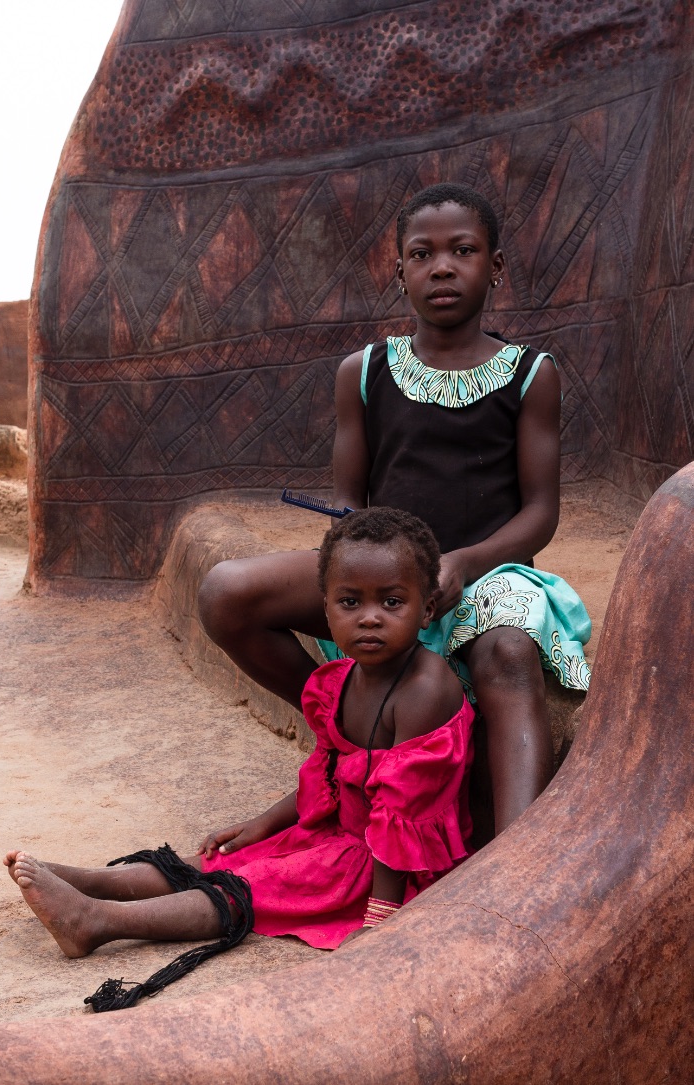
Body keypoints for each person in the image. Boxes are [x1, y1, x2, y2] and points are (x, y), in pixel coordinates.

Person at [199, 182, 591, 837]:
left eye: (462, 250)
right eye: (421, 253)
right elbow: (350, 498)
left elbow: (540, 513)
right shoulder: (363, 370)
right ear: (399, 271)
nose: (441, 265)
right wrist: (363, 551)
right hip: (389, 572)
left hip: (488, 574)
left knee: (507, 654)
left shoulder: (530, 373)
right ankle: (353, 727)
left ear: (494, 267)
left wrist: (462, 562)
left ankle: (515, 852)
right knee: (225, 591)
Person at [4, 509, 475, 1004]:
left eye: (393, 602)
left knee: (249, 885)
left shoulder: (424, 690)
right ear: (326, 609)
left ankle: (97, 921)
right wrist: (265, 822)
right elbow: (333, 774)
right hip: (340, 834)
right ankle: (96, 882)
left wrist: (381, 917)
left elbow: (398, 817)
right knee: (226, 858)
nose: (370, 617)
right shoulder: (342, 680)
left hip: (389, 869)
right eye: (350, 603)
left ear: (426, 610)